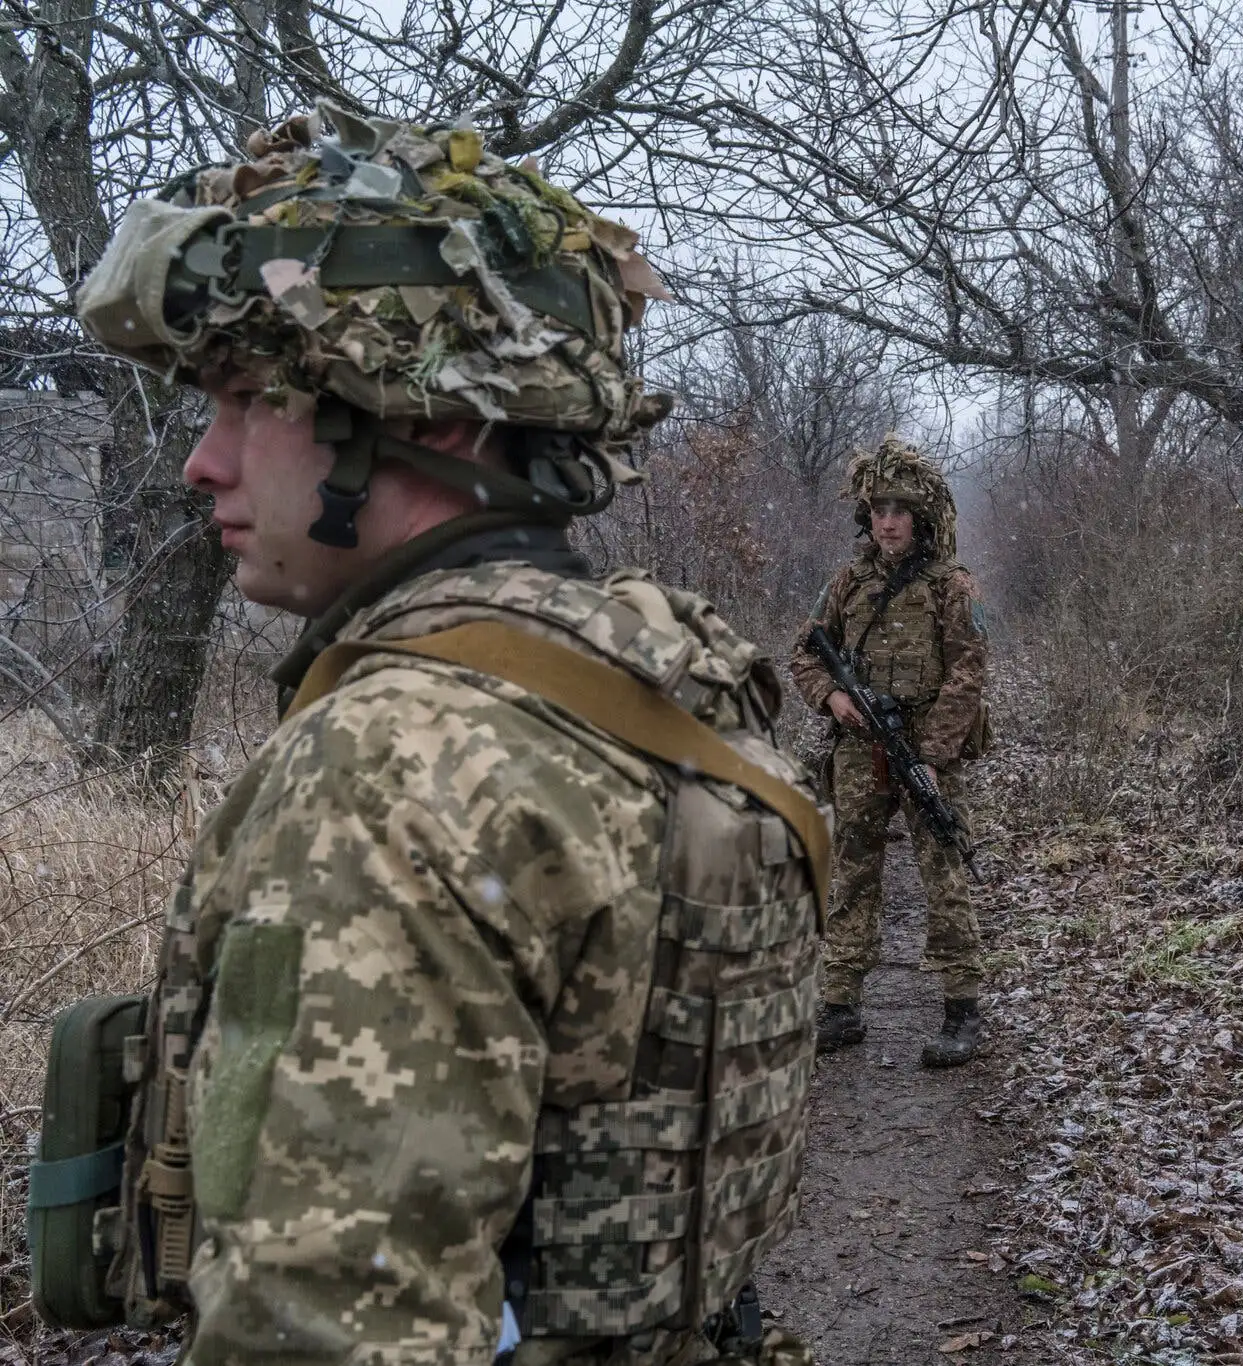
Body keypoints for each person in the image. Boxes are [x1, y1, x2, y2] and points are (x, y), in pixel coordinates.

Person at [70, 105, 820, 1365]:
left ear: (423, 415)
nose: (204, 461)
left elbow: (323, 1328)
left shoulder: (394, 759)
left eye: (251, 398)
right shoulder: (658, 676)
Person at [787, 438, 992, 1068]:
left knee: (943, 874)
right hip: (858, 750)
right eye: (879, 508)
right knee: (852, 871)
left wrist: (931, 754)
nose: (888, 520)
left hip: (926, 753)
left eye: (901, 509)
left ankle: (962, 1010)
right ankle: (841, 1004)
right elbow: (804, 652)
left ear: (921, 516)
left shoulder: (950, 586)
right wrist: (832, 699)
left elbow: (967, 670)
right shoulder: (847, 584)